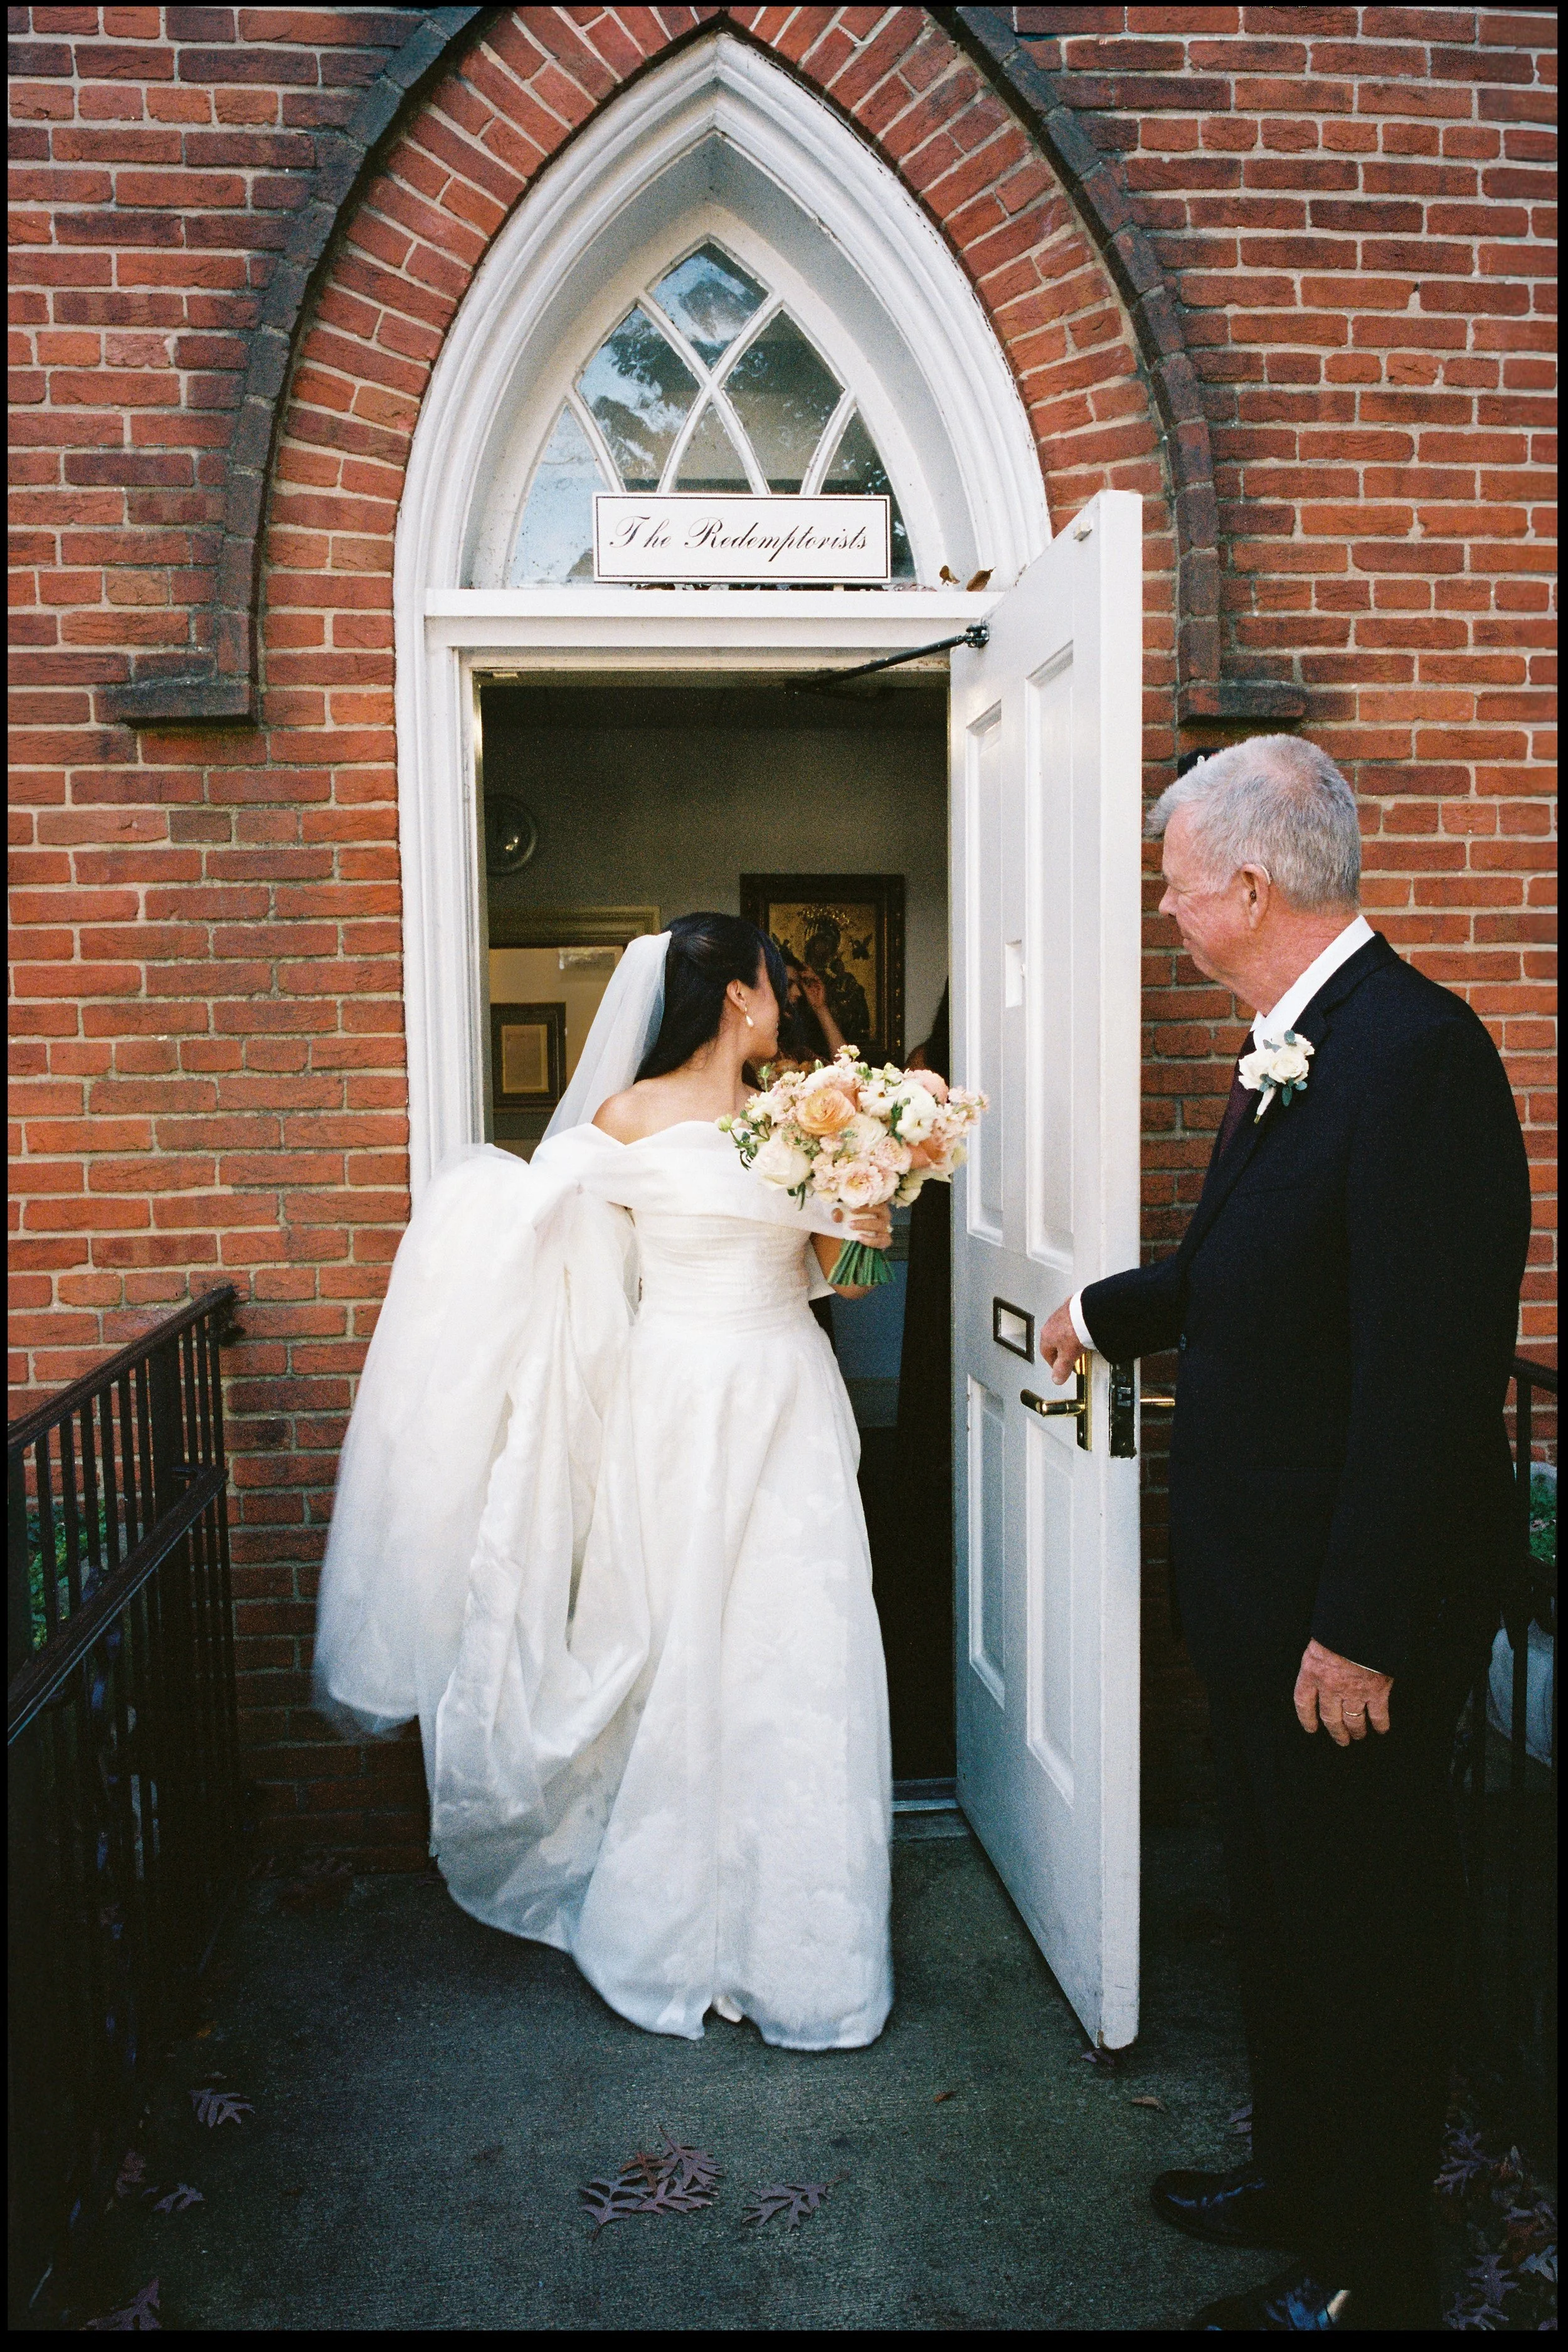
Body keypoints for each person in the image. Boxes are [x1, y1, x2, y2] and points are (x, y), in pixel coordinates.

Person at [1037, 738, 1530, 2333]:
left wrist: (1362, 1624)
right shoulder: (1289, 1046)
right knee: (1279, 1919)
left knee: (1362, 1949)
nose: (1164, 908)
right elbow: (1254, 1269)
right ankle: (1299, 2182)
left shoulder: (1413, 1057)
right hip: (1264, 1606)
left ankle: (1374, 2282)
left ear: (1245, 886)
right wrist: (1104, 1315)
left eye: (1171, 880)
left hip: (1343, 1628)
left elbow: (1424, 1372)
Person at [313, 915, 894, 2050]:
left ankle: (803, 1943)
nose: (780, 1002)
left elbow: (842, 1278)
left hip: (785, 1391)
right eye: (775, 985)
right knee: (680, 1642)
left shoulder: (811, 1115)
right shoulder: (622, 1120)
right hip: (673, 1401)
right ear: (738, 996)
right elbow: (555, 1251)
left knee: (796, 1634)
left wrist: (869, 1216)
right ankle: (675, 1921)